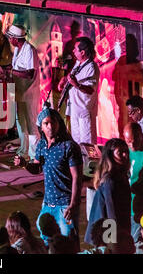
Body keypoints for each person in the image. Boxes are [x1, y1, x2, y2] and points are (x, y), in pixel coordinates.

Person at [15, 107, 83, 251]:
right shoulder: (41, 145)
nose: (51, 126)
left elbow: (77, 177)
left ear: (59, 123)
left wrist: (73, 204)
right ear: (41, 127)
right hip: (48, 204)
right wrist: (24, 164)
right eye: (46, 123)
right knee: (47, 244)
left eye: (54, 122)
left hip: (65, 206)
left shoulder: (69, 146)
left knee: (69, 244)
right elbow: (37, 168)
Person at [57, 36, 100, 222]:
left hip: (84, 110)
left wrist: (76, 84)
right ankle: (80, 173)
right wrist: (64, 84)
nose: (73, 52)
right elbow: (70, 81)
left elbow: (90, 90)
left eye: (76, 49)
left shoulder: (92, 67)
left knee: (88, 143)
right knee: (76, 142)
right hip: (74, 109)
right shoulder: (77, 64)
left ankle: (93, 176)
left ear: (83, 51)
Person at [0, 24, 40, 161]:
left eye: (10, 37)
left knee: (31, 124)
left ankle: (34, 155)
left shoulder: (29, 50)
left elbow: (29, 73)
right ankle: (23, 152)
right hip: (19, 92)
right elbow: (16, 67)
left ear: (16, 38)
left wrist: (9, 71)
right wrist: (5, 69)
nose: (9, 39)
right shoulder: (17, 50)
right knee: (21, 124)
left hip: (29, 94)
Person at [84, 138, 132, 246]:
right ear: (110, 155)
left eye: (126, 151)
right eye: (120, 152)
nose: (125, 155)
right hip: (106, 232)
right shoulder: (111, 180)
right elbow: (111, 213)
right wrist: (114, 241)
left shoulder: (120, 175)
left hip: (109, 230)